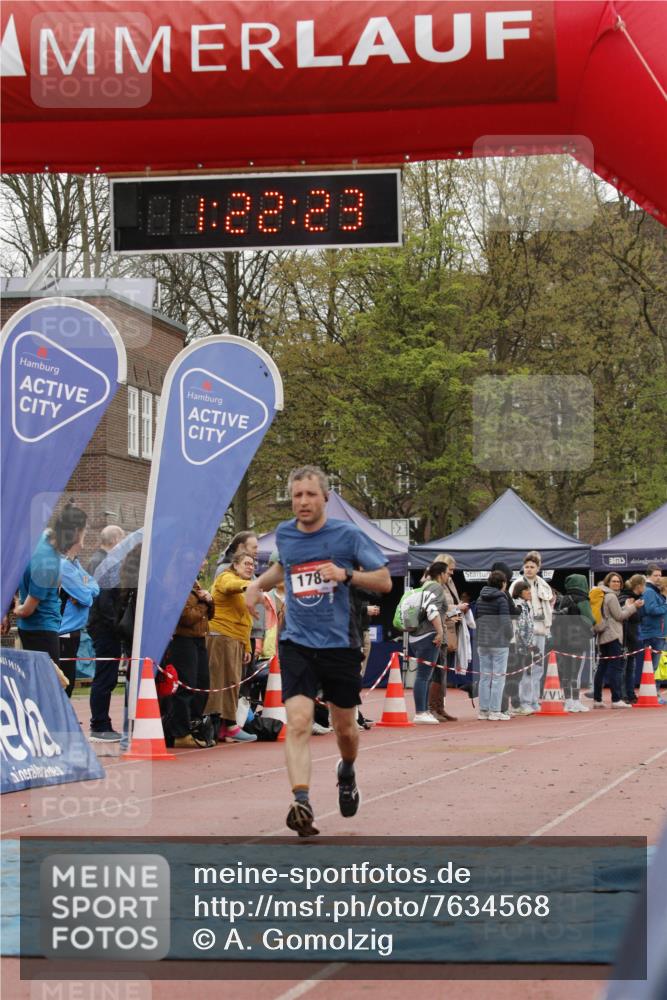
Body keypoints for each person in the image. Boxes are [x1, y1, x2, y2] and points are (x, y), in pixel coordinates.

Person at [245, 465, 392, 837]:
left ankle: (346, 770)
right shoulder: (286, 534)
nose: (303, 502)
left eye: (310, 494)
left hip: (340, 645)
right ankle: (302, 801)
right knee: (297, 722)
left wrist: (346, 575)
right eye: (297, 495)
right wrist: (256, 584)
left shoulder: (347, 535)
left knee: (345, 730)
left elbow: (385, 580)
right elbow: (284, 567)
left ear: (325, 497)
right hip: (297, 642)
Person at [14, 502, 87, 669]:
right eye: (84, 533)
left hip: (34, 629)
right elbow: (27, 610)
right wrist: (16, 607)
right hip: (41, 631)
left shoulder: (43, 536)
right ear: (75, 533)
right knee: (50, 686)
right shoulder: (48, 564)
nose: (83, 543)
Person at [204, 551, 258, 743]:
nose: (251, 567)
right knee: (219, 682)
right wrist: (250, 585)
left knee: (233, 683)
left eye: (253, 564)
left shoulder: (244, 588)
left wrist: (247, 647)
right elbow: (230, 586)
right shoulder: (226, 578)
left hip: (235, 640)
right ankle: (216, 725)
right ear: (235, 565)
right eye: (246, 563)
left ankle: (227, 726)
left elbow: (245, 620)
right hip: (220, 636)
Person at [163, 569, 215, 748]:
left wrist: (209, 601)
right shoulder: (177, 585)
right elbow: (186, 617)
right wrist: (205, 603)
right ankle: (180, 733)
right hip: (183, 640)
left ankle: (195, 726)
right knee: (186, 686)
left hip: (199, 639)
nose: (203, 565)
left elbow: (210, 615)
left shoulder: (195, 585)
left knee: (202, 685)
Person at [87, 525, 126, 742]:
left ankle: (102, 722)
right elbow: (104, 600)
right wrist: (118, 624)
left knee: (106, 675)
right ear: (115, 541)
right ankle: (99, 724)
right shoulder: (104, 562)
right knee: (105, 676)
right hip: (105, 627)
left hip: (103, 625)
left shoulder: (99, 560)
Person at [59, 519, 100, 698]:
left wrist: (84, 589)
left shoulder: (76, 564)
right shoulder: (64, 566)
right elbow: (86, 598)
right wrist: (84, 591)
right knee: (64, 681)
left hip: (74, 631)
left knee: (69, 680)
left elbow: (94, 587)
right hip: (63, 632)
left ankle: (64, 716)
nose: (85, 537)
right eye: (83, 533)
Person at [406, 562, 447, 724]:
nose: (449, 577)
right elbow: (432, 610)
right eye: (448, 573)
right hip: (427, 635)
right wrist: (440, 632)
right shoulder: (436, 587)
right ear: (441, 574)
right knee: (423, 676)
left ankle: (423, 710)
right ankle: (420, 712)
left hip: (416, 635)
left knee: (425, 676)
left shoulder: (424, 586)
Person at [593, 572, 641, 708]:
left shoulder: (603, 594)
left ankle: (597, 699)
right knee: (616, 668)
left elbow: (613, 614)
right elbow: (620, 616)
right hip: (613, 636)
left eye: (618, 581)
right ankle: (616, 699)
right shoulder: (611, 596)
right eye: (614, 581)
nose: (617, 584)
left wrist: (627, 606)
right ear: (608, 582)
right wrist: (634, 607)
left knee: (602, 668)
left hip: (602, 636)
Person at [552, 575, 594, 712]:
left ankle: (568, 700)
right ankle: (575, 701)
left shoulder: (563, 599)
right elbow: (590, 619)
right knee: (576, 673)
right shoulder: (583, 600)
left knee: (566, 672)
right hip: (579, 640)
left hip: (562, 640)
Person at [475, 570, 514, 721]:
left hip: (482, 641)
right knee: (498, 677)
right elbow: (505, 621)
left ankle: (483, 710)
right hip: (499, 643)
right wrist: (510, 636)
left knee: (485, 677)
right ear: (503, 584)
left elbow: (477, 618)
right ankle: (495, 711)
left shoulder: (479, 598)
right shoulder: (501, 599)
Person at [518, 551, 552, 713]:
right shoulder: (518, 584)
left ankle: (534, 700)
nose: (529, 569)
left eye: (532, 567)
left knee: (538, 666)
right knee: (526, 667)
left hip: (541, 630)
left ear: (538, 568)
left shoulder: (543, 584)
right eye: (527, 567)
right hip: (525, 632)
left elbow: (549, 605)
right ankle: (524, 701)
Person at [503, 578, 535, 716]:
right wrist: (527, 645)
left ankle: (515, 704)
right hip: (517, 646)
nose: (529, 592)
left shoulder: (526, 605)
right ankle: (511, 705)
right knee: (513, 677)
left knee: (517, 677)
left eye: (529, 589)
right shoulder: (519, 606)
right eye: (526, 590)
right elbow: (521, 628)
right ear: (519, 592)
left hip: (522, 645)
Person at [619, 574, 646, 703]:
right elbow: (626, 617)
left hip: (634, 636)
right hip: (625, 637)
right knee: (624, 668)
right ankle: (623, 695)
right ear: (639, 586)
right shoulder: (626, 598)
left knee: (631, 668)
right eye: (644, 585)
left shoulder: (638, 599)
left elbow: (639, 617)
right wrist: (634, 607)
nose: (645, 588)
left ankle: (630, 694)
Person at [640, 563, 667, 674]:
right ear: (648, 576)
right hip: (654, 633)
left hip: (657, 632)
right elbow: (652, 610)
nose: (659, 578)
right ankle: (652, 690)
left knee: (656, 666)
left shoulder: (654, 590)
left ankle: (654, 690)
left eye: (660, 575)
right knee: (653, 666)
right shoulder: (649, 591)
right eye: (656, 575)